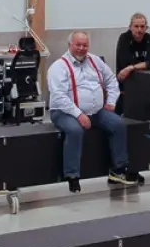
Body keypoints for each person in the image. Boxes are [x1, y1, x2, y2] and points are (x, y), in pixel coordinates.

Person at [47, 31, 144, 193]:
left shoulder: (95, 61)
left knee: (118, 124)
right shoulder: (59, 67)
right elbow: (58, 96)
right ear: (70, 45)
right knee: (75, 130)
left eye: (85, 45)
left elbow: (111, 80)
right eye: (78, 45)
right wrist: (79, 114)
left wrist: (111, 102)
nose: (81, 48)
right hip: (64, 112)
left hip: (96, 111)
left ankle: (118, 170)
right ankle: (72, 175)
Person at [114, 12, 150, 115]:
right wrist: (141, 65)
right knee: (121, 115)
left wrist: (131, 67)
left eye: (142, 26)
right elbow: (125, 61)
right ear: (130, 27)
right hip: (126, 86)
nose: (139, 30)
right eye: (136, 26)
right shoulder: (124, 38)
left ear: (146, 27)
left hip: (146, 86)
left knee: (148, 116)